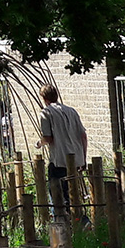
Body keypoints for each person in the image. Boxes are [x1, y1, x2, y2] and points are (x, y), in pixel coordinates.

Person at [37, 84, 87, 216]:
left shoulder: (46, 113)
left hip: (59, 160)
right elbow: (83, 136)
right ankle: (78, 221)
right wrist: (84, 158)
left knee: (58, 195)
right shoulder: (72, 111)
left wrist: (39, 143)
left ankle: (61, 225)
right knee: (74, 193)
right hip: (76, 160)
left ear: (44, 98)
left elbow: (48, 138)